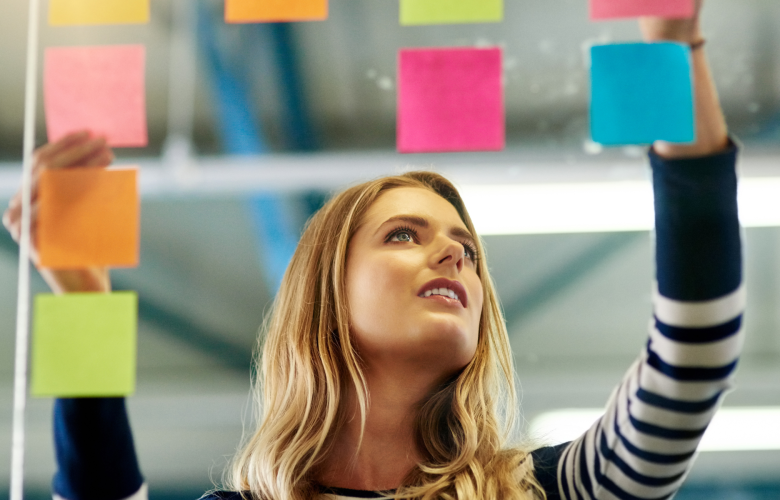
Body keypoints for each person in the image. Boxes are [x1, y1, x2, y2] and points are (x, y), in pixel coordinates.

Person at [3, 1, 744, 498]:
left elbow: (695, 352)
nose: (456, 257)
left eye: (467, 250)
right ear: (327, 291)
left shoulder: (550, 488)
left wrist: (670, 44)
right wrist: (81, 298)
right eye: (403, 235)